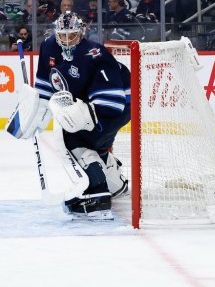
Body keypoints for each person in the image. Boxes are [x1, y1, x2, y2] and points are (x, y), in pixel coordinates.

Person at [6, 11, 130, 220]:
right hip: (94, 103)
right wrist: (33, 112)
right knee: (91, 144)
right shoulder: (48, 47)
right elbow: (46, 86)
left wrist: (85, 113)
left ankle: (97, 192)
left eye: (71, 35)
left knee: (71, 138)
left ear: (81, 32)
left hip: (121, 104)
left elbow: (112, 101)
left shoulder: (95, 53)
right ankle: (114, 184)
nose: (66, 40)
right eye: (62, 35)